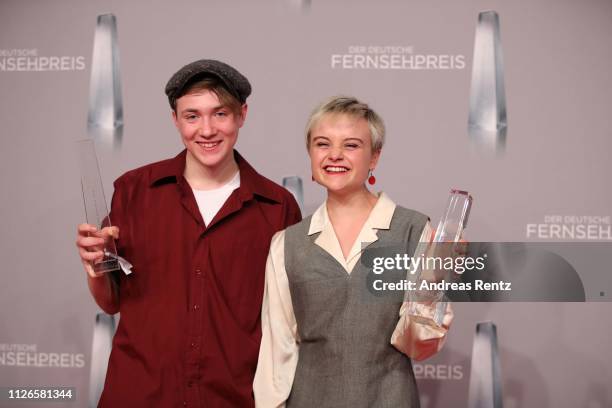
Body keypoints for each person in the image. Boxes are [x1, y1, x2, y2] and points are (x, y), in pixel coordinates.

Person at [76, 59, 301, 407]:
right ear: (175, 120)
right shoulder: (135, 190)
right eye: (192, 116)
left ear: (242, 114)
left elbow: (285, 324)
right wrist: (95, 266)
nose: (207, 129)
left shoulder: (277, 207)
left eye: (220, 114)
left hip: (231, 398)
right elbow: (110, 301)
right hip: (139, 395)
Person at [253, 96, 454, 407]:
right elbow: (276, 354)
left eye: (351, 145)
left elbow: (419, 345)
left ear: (374, 157)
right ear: (310, 153)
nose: (335, 155)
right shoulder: (286, 244)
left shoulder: (414, 231)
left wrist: (431, 285)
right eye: (322, 144)